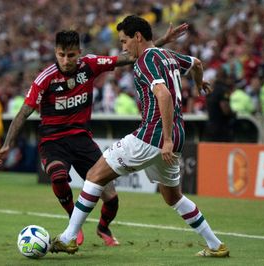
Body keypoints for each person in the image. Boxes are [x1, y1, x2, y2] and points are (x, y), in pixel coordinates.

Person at [50, 15, 229, 258]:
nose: (123, 47)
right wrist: (199, 84)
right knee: (173, 197)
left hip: (153, 135)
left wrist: (164, 140)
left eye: (124, 41)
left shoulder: (145, 60)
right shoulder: (168, 55)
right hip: (177, 135)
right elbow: (196, 63)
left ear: (137, 37)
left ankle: (69, 238)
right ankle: (215, 244)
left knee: (94, 175)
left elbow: (163, 95)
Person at [0, 25, 188, 247]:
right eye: (61, 55)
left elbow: (130, 56)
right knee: (58, 176)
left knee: (111, 198)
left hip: (82, 139)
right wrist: (7, 144)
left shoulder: (90, 65)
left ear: (79, 52)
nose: (66, 60)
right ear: (55, 53)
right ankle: (72, 223)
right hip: (53, 140)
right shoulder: (45, 78)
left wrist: (161, 40)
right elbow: (23, 112)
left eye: (71, 55)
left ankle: (103, 227)